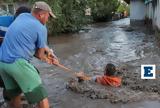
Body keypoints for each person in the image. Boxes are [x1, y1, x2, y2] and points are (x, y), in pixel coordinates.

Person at [0, 1, 57, 108]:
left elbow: (31, 46)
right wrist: (49, 59)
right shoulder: (41, 28)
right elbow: (40, 55)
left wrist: (48, 53)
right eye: (48, 16)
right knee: (41, 95)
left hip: (2, 64)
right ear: (41, 15)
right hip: (17, 63)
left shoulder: (22, 17)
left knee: (15, 95)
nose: (48, 19)